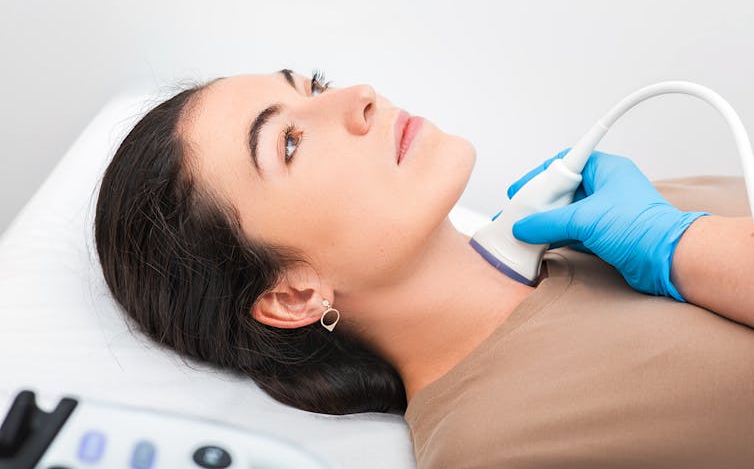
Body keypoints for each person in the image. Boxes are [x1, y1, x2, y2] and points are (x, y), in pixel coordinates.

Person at [94, 70, 754, 468]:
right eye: (289, 141)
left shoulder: (616, 211)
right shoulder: (501, 446)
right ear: (295, 294)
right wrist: (687, 251)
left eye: (315, 84)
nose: (358, 96)